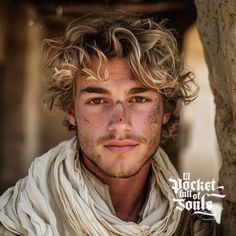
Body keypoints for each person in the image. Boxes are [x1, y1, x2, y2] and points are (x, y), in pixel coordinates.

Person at [0, 13, 219, 235]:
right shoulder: (21, 219)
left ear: (167, 110)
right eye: (97, 100)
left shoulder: (194, 224)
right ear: (70, 111)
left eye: (139, 99)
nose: (119, 124)